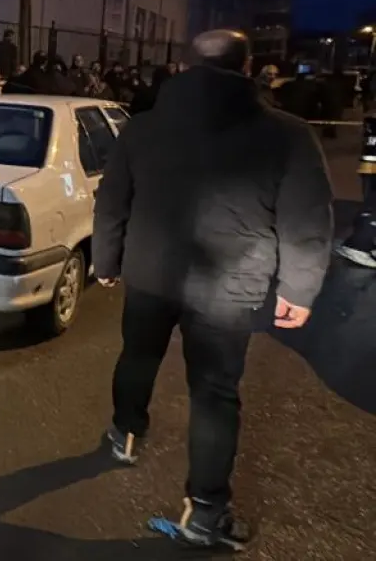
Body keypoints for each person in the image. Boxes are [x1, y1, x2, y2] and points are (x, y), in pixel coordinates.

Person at [93, 29, 333, 550]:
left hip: (151, 274)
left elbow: (112, 201)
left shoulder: (143, 128)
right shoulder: (287, 134)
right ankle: (204, 512)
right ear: (247, 69)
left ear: (183, 68)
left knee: (138, 356)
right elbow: (307, 218)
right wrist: (299, 289)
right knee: (214, 394)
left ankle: (124, 433)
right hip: (231, 285)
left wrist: (105, 262)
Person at [336, 108, 376, 267]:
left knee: (371, 201)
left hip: (371, 164)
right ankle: (359, 244)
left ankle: (363, 242)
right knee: (372, 205)